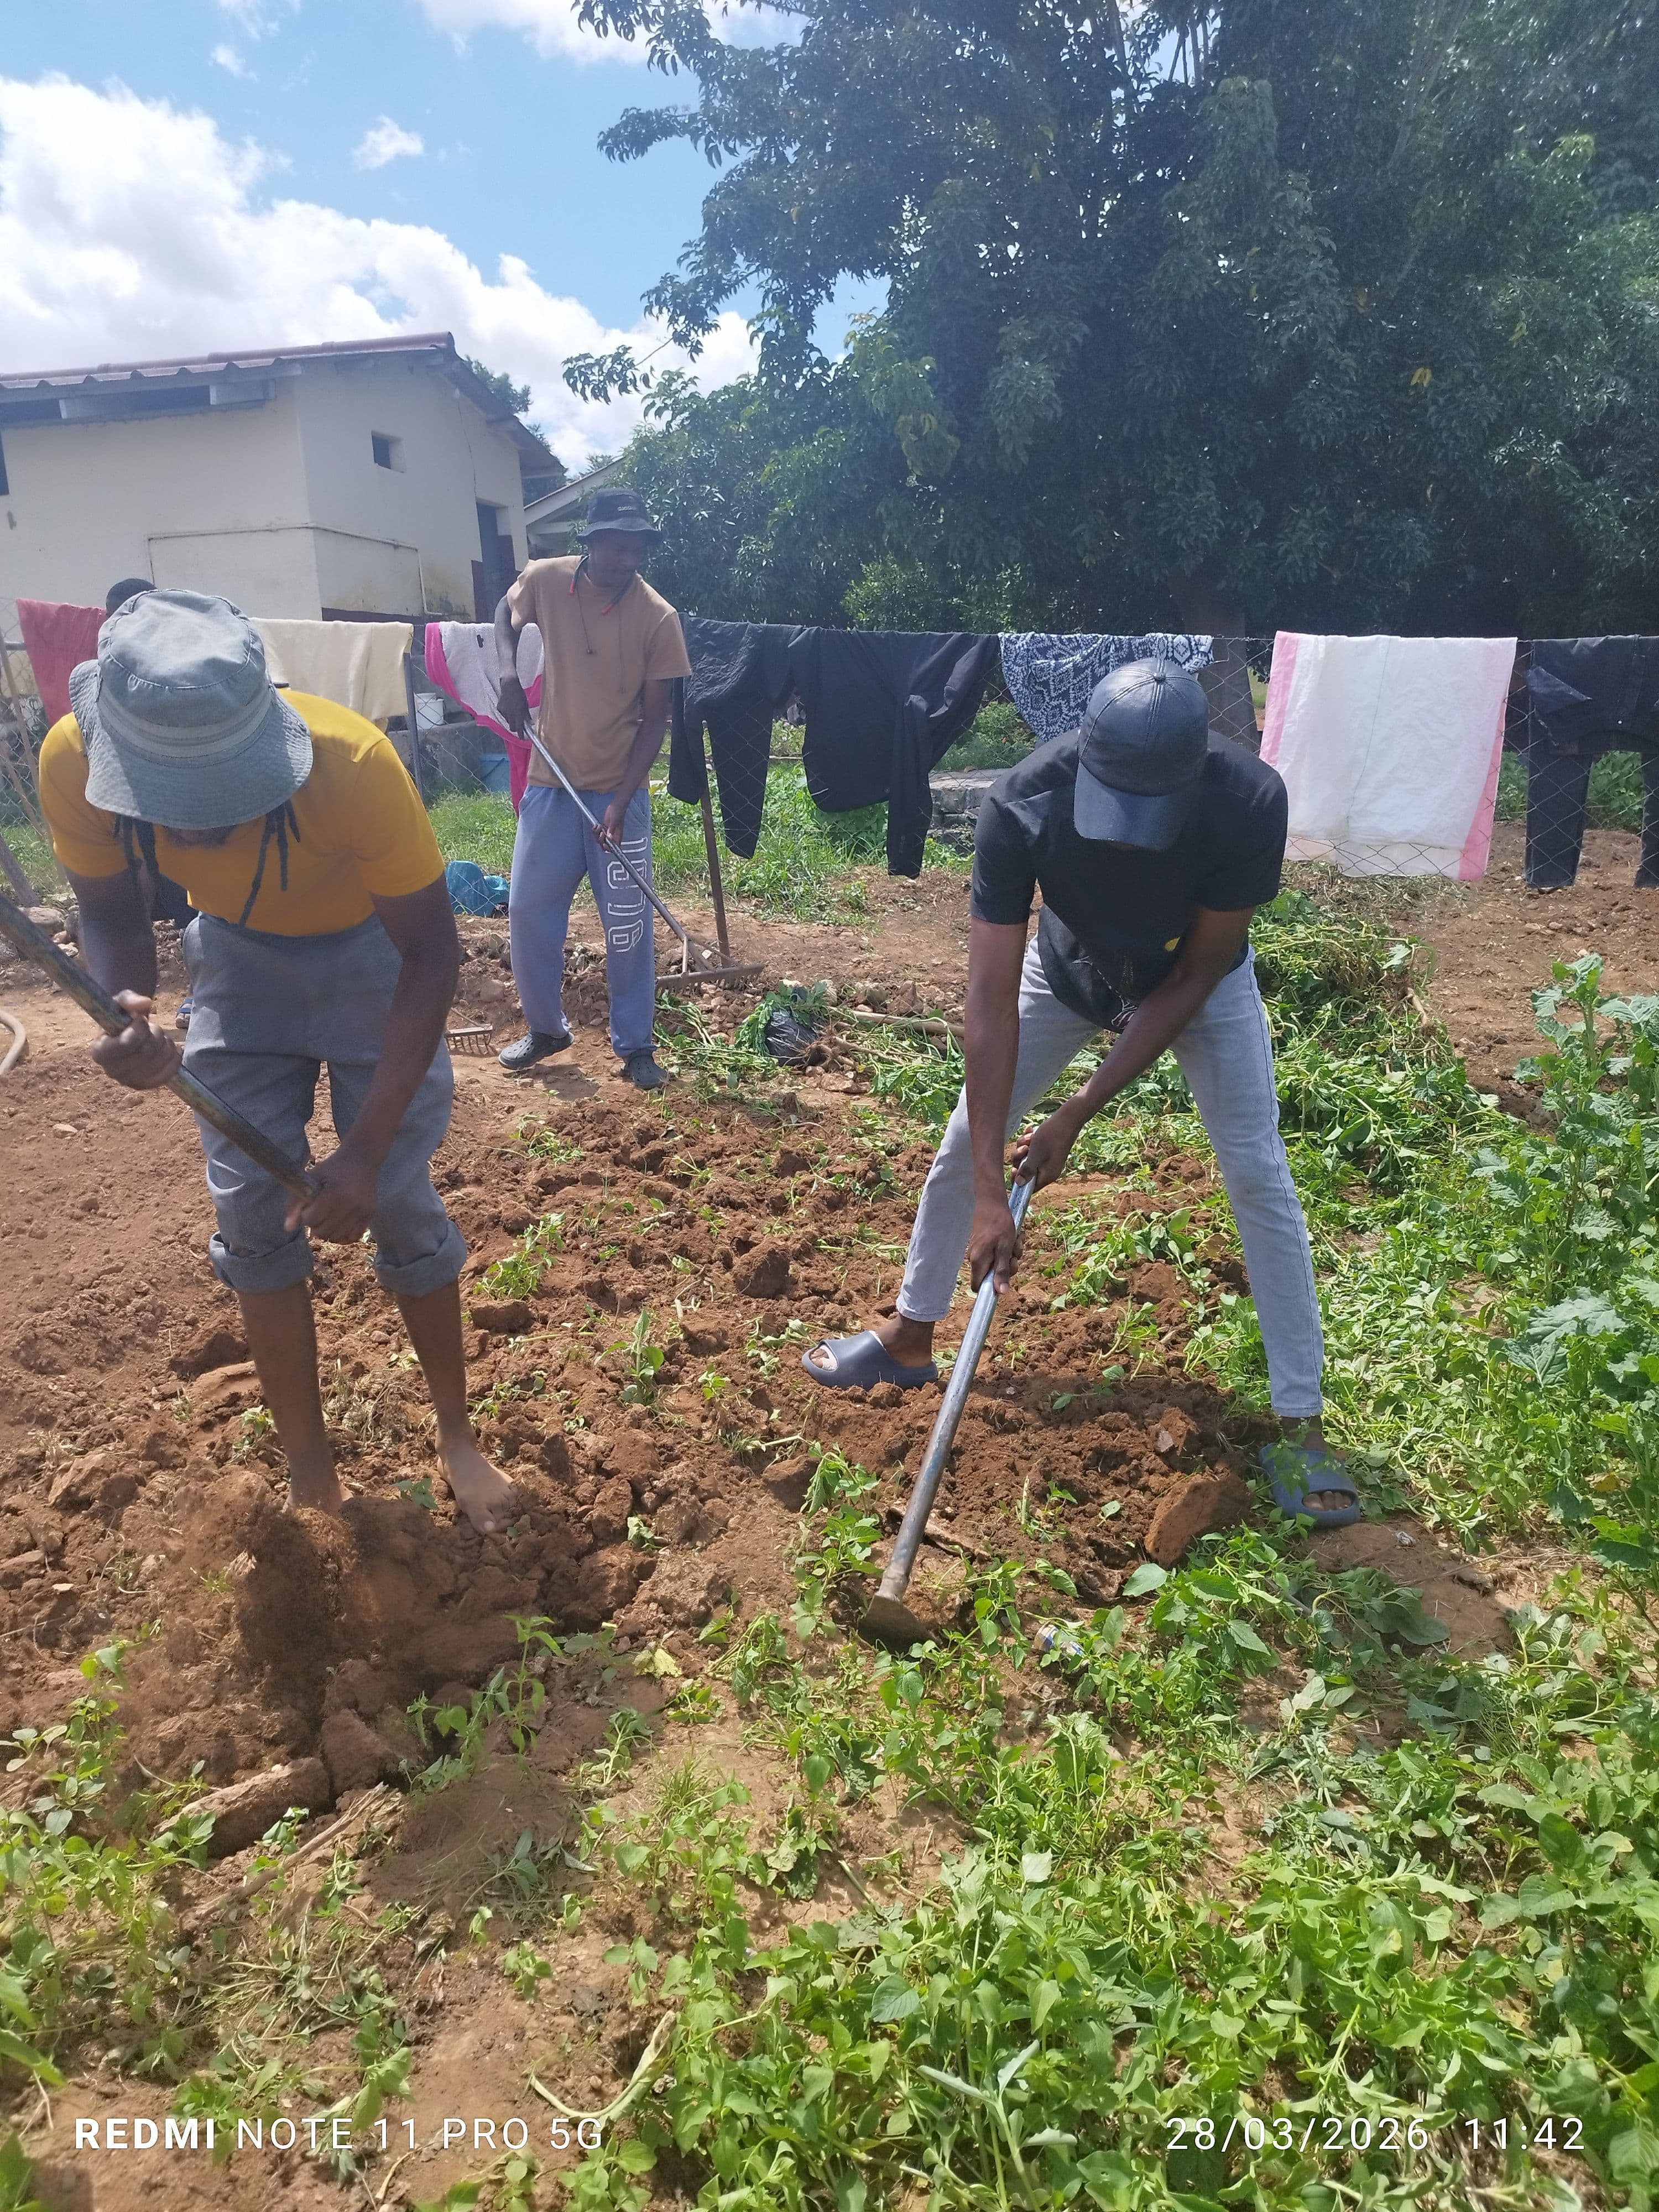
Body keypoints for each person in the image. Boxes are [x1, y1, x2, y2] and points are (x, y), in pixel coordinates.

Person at [802, 657, 1360, 1526]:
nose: (1127, 842)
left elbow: (1200, 970)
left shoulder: (1249, 801)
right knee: (966, 1141)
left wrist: (1079, 1109)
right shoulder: (1022, 803)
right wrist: (992, 1191)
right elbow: (989, 1001)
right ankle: (910, 1338)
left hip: (1197, 983)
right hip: (1068, 970)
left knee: (1257, 1170)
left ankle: (1301, 1424)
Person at [37, 588, 517, 1536]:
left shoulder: (354, 765)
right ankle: (310, 1472)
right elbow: (110, 914)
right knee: (251, 1213)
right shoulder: (73, 761)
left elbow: (432, 954)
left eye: (221, 796)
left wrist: (365, 1153)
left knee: (399, 1197)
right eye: (173, 803)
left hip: (376, 954)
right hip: (235, 956)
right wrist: (124, 1005)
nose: (197, 828)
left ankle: (458, 1437)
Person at [493, 487, 691, 1091]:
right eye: (617, 547)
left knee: (627, 927)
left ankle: (636, 1046)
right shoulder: (547, 580)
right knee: (528, 910)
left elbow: (655, 719)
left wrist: (622, 802)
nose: (627, 560)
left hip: (617, 793)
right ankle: (545, 1029)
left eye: (637, 549)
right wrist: (508, 674)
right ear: (593, 541)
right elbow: (504, 614)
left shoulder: (658, 618)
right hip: (551, 782)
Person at [102, 577, 197, 963]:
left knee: (187, 868)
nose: (117, 625)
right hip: (133, 781)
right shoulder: (109, 664)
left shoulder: (183, 657)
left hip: (183, 780)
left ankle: (197, 950)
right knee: (144, 866)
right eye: (111, 617)